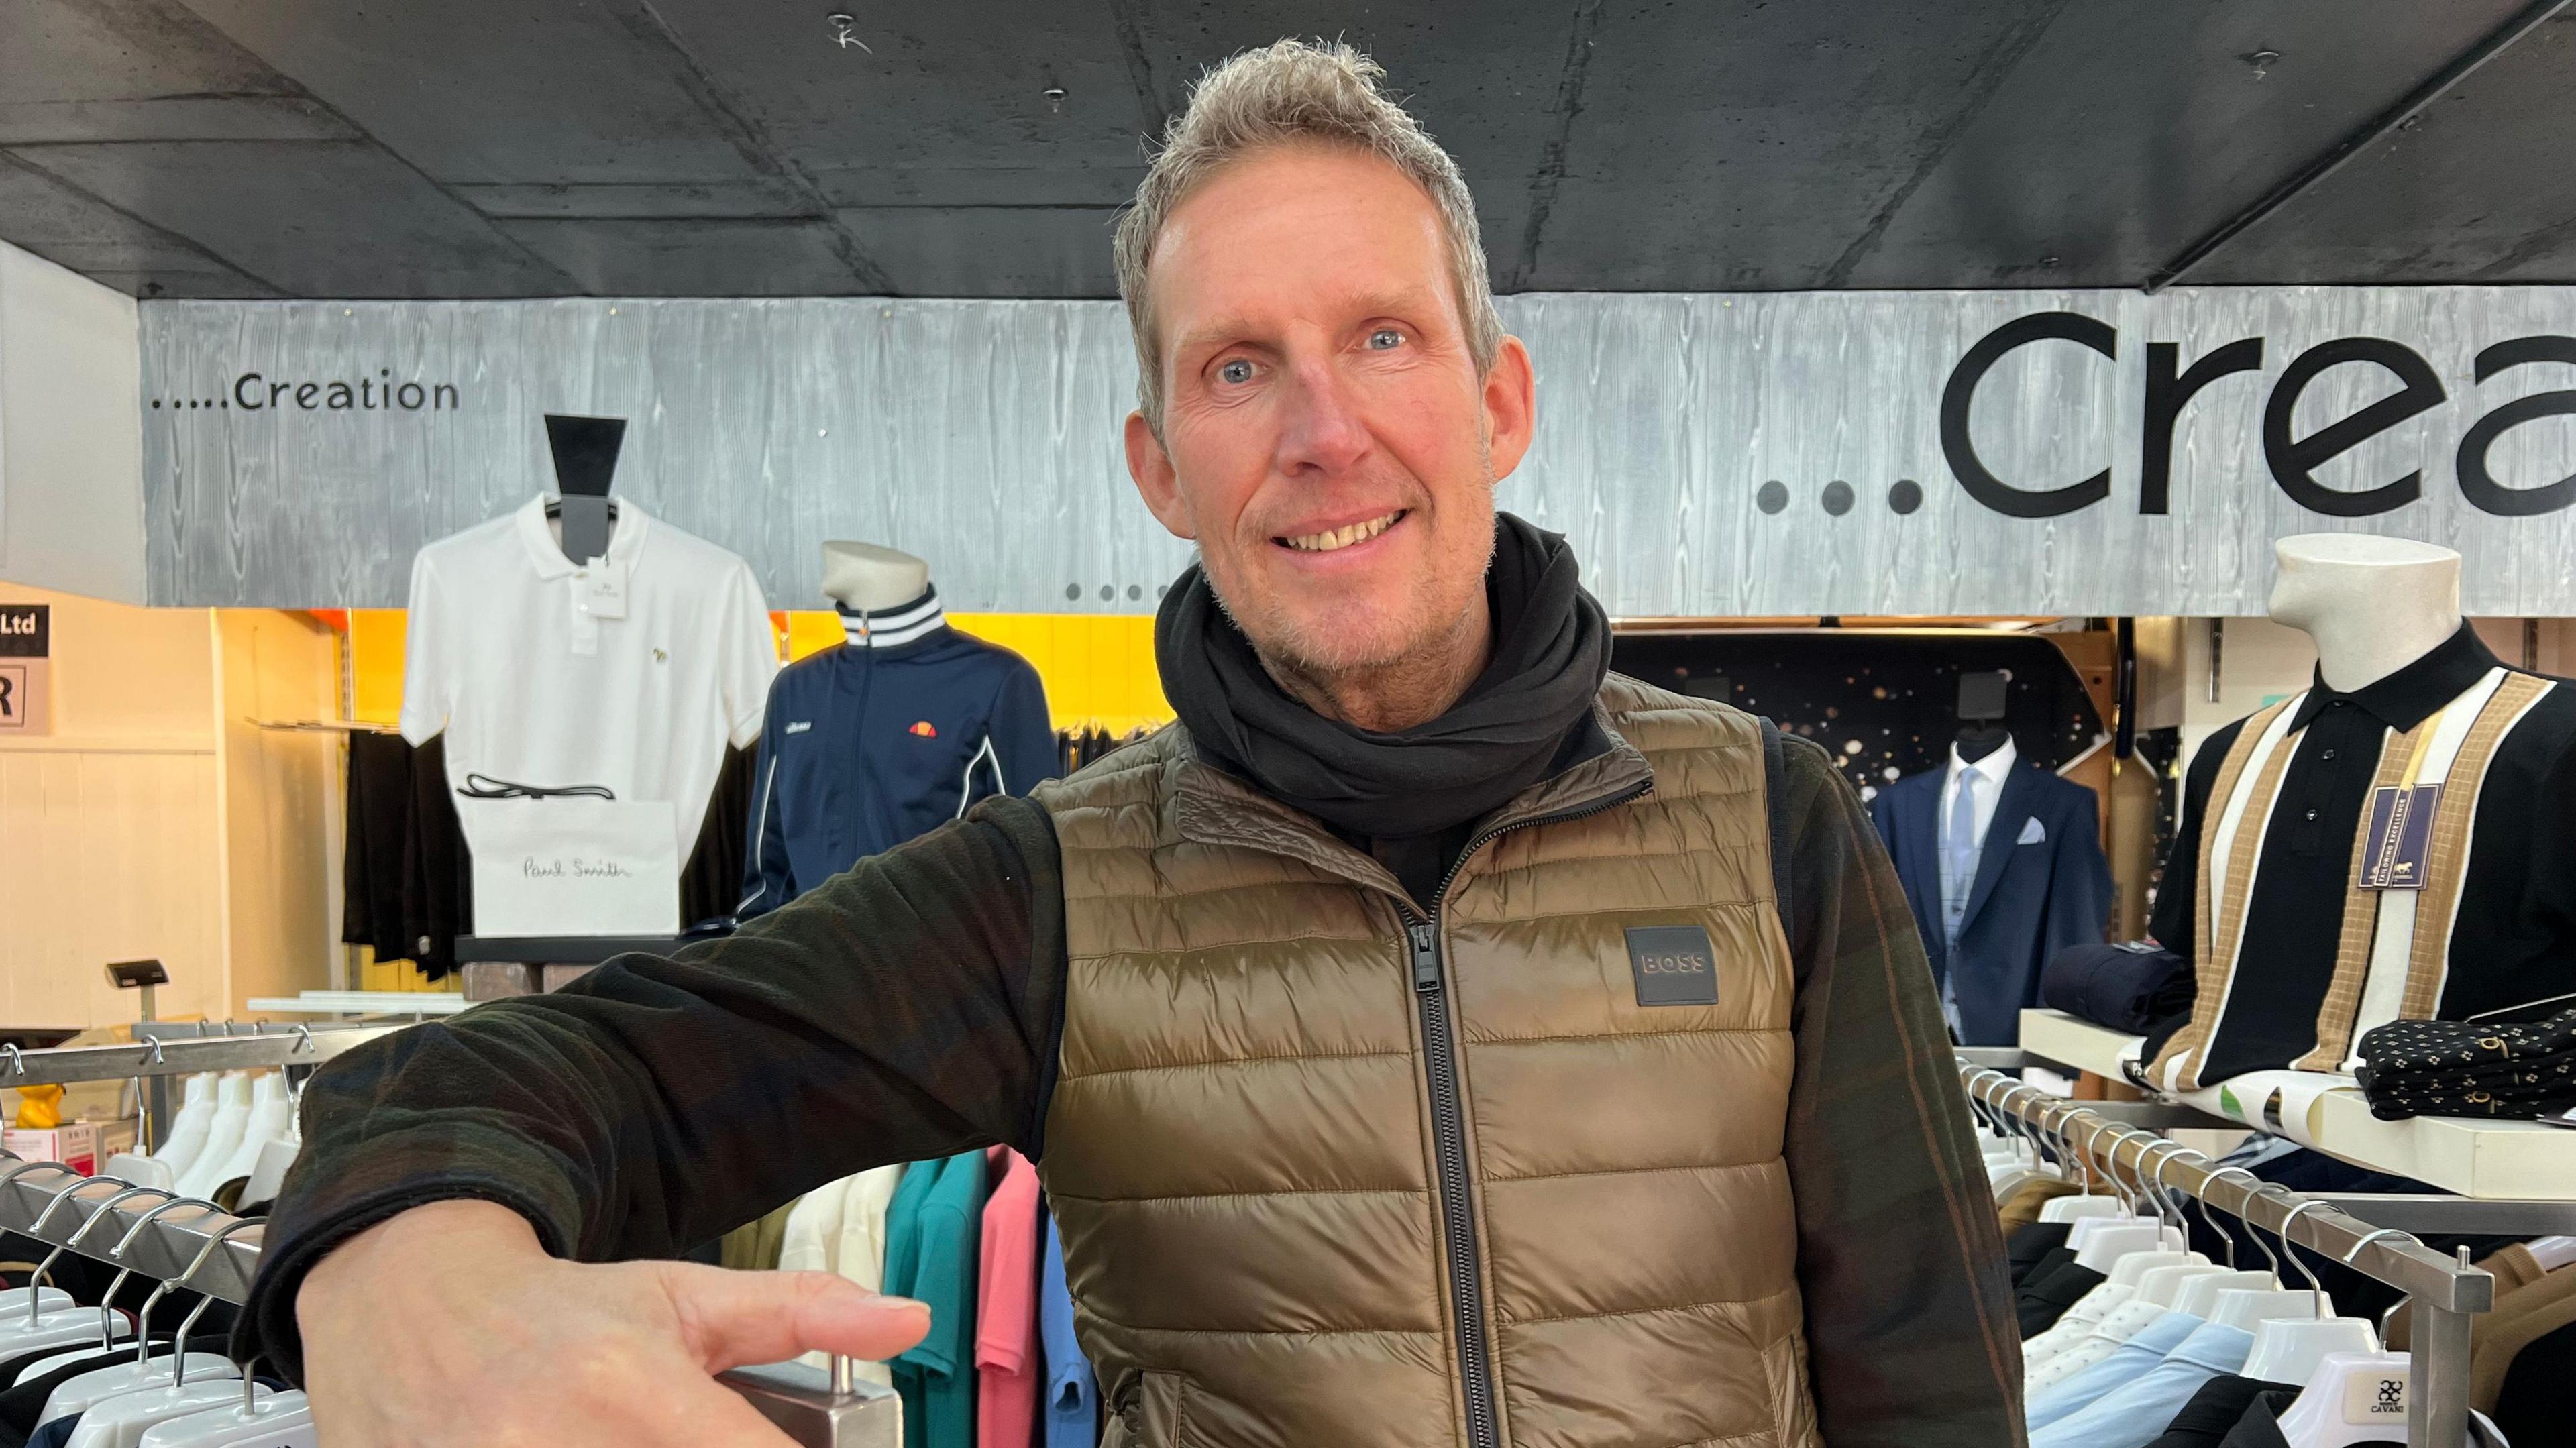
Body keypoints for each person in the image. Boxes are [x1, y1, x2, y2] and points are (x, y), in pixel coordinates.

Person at [260, 40, 2021, 1448]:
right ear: (1160, 468)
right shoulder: (1056, 890)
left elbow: (1932, 1375)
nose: (1322, 431)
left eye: (1381, 338)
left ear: (1498, 402)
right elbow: (541, 1079)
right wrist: (402, 1272)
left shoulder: (1765, 821)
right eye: (1239, 367)